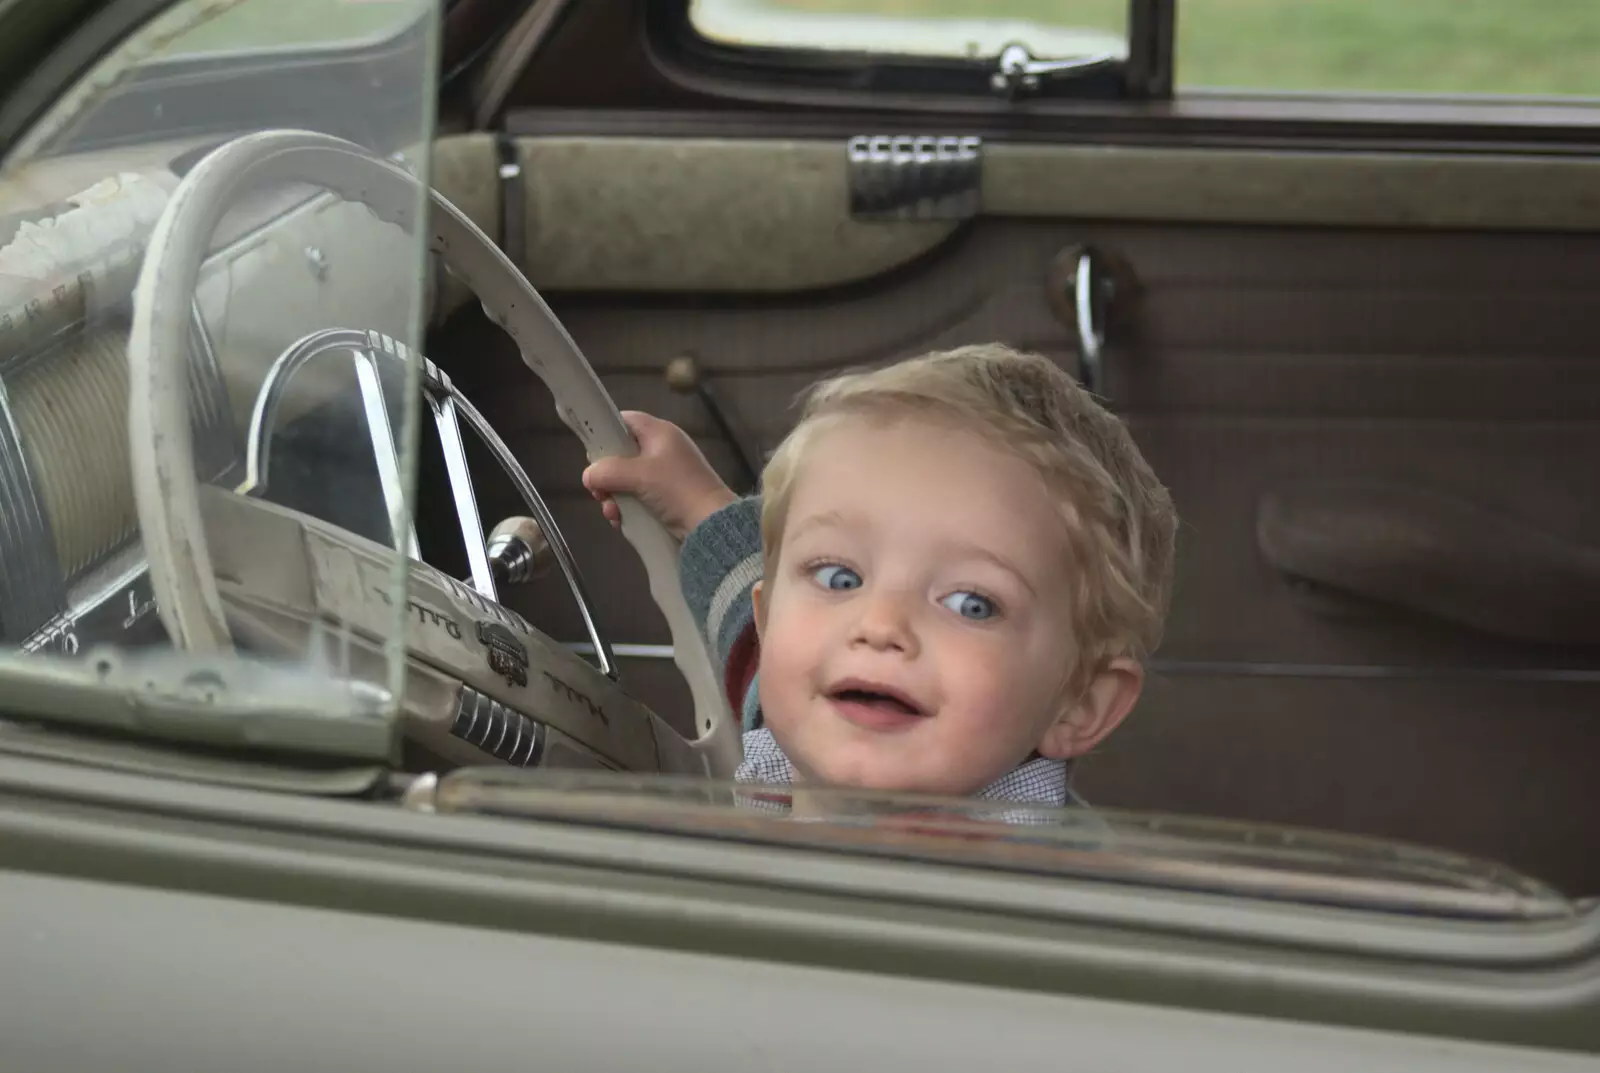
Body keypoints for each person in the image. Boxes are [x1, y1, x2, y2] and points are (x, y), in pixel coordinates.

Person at [582, 344, 1177, 807]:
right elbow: (745, 611)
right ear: (770, 625)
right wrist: (693, 502)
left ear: (1080, 704)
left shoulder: (1057, 912)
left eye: (972, 604)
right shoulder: (810, 692)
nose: (878, 624)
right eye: (839, 577)